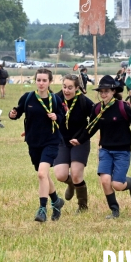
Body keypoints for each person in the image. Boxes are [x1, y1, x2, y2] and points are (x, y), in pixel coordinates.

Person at [70, 75, 131, 219]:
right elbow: (91, 128)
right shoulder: (97, 109)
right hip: (105, 150)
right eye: (101, 91)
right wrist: (79, 140)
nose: (103, 94)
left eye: (107, 91)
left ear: (113, 91)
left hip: (122, 151)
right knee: (105, 181)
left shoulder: (122, 107)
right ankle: (114, 210)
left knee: (117, 184)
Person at [9, 69, 66, 222]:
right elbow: (17, 112)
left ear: (50, 82)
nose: (41, 83)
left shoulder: (55, 99)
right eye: (38, 80)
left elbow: (63, 117)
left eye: (44, 80)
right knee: (45, 175)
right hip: (33, 142)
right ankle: (56, 201)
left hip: (51, 141)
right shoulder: (28, 98)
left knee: (41, 174)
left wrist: (56, 116)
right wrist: (12, 114)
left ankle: (42, 209)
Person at [54, 74, 94, 212]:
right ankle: (71, 184)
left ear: (77, 88)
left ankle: (82, 206)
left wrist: (82, 138)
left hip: (80, 142)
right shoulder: (56, 99)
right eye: (64, 87)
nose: (66, 90)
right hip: (61, 142)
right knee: (60, 175)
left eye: (70, 88)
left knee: (77, 174)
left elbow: (96, 120)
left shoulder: (84, 102)